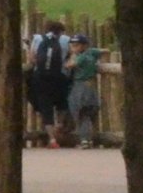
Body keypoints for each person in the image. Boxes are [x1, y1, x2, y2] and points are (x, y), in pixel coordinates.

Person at [25, 18, 73, 146]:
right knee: (62, 102)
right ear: (61, 31)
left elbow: (32, 59)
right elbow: (72, 55)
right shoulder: (66, 40)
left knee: (45, 107)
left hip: (40, 78)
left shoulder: (37, 38)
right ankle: (60, 124)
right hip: (60, 77)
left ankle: (52, 139)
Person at [66, 35, 106, 147]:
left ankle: (84, 139)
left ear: (84, 46)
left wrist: (73, 54)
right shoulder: (91, 52)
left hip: (81, 85)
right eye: (72, 45)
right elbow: (103, 51)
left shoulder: (81, 57)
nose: (73, 47)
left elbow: (70, 65)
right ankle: (88, 138)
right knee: (87, 113)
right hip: (89, 85)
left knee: (81, 113)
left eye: (76, 45)